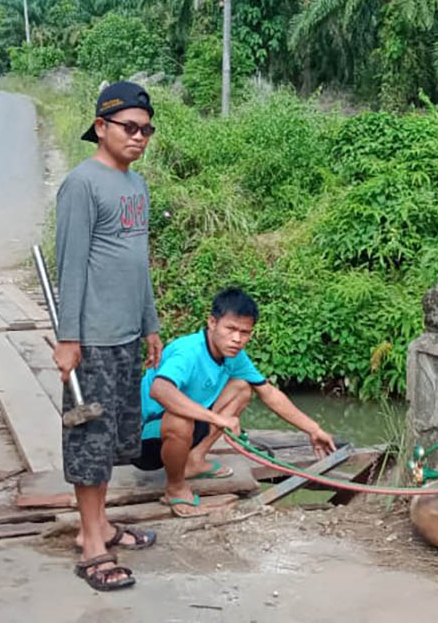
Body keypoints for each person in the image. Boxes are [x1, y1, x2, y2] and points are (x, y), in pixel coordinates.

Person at [53, 81, 163, 592]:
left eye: (146, 130)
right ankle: (91, 544)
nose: (139, 137)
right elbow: (71, 267)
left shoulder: (136, 186)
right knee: (89, 442)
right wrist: (68, 338)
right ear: (101, 127)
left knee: (117, 438)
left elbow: (139, 265)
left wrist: (151, 324)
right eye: (129, 127)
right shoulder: (82, 184)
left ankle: (100, 526)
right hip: (92, 339)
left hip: (125, 335)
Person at [134, 287, 337, 517]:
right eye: (230, 329)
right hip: (145, 440)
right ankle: (175, 487)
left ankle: (194, 460)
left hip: (190, 427)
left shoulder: (235, 356)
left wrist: (313, 429)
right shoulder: (188, 351)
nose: (237, 339)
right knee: (179, 417)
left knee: (242, 388)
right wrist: (216, 418)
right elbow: (160, 390)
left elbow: (269, 393)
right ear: (212, 322)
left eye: (245, 332)